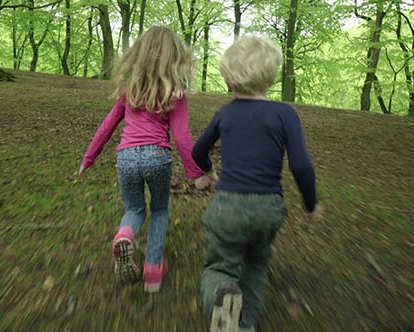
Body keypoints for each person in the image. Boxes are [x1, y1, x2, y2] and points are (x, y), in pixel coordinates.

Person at [191, 36, 322, 331]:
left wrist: (208, 173)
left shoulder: (225, 113)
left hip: (228, 206)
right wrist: (311, 205)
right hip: (268, 208)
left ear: (228, 78)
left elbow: (198, 151)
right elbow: (301, 165)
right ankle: (246, 323)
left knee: (220, 267)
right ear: (271, 77)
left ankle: (220, 298)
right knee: (256, 265)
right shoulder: (285, 114)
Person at [77, 26, 211, 293]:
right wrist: (196, 174)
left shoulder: (129, 91)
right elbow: (182, 137)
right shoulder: (175, 94)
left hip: (125, 157)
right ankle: (152, 271)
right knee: (160, 209)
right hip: (158, 156)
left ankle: (125, 234)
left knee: (135, 209)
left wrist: (88, 158)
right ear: (176, 58)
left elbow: (107, 126)